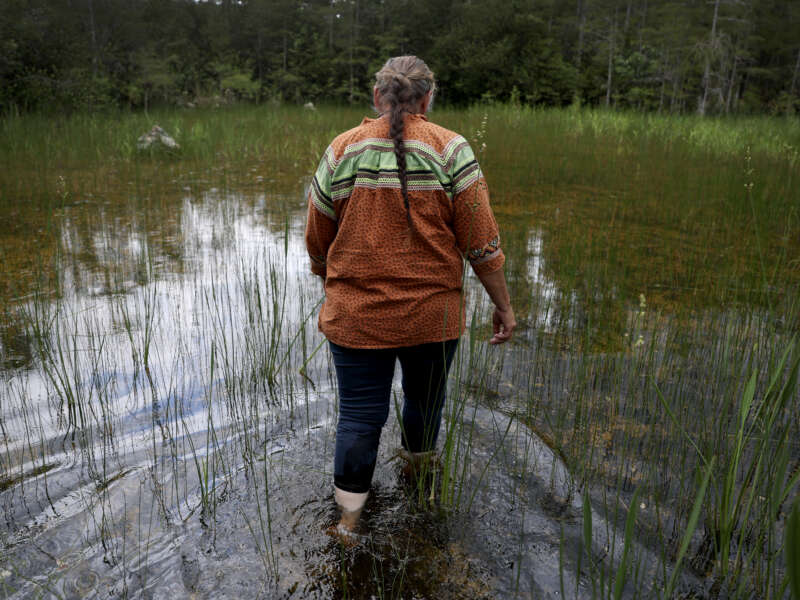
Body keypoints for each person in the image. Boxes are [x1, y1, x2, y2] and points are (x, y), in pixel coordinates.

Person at [304, 55, 515, 541]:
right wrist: (503, 305)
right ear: (427, 99)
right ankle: (419, 492)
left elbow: (318, 238)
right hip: (432, 318)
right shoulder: (450, 150)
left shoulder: (342, 151)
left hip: (357, 317)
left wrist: (329, 281)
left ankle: (349, 521)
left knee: (359, 416)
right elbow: (481, 243)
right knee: (424, 404)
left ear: (379, 97)